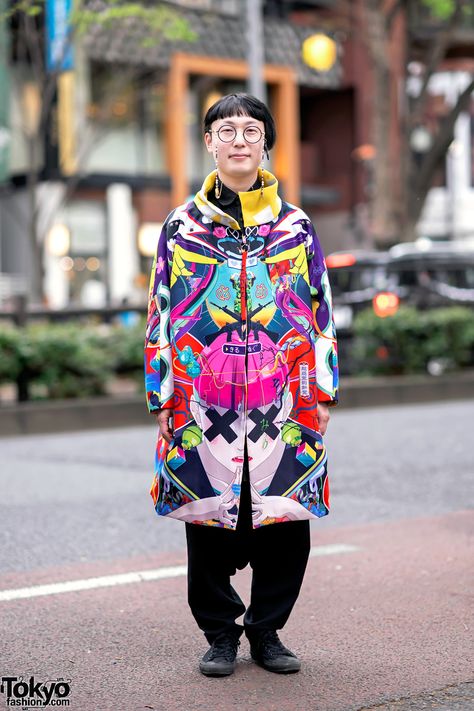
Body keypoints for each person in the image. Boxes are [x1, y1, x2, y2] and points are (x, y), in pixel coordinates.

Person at [144, 93, 338, 677]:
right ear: (208, 142)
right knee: (208, 521)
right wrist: (161, 393)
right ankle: (220, 635)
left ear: (264, 143)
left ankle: (267, 631)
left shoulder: (295, 226)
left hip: (285, 400)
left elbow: (321, 308)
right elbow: (160, 310)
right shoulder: (181, 226)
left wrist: (322, 391)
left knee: (284, 519)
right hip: (203, 402)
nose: (238, 140)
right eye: (225, 130)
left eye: (250, 130)